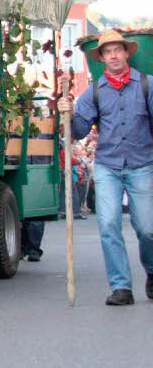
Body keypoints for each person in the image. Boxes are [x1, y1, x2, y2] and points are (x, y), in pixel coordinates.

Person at [57, 30, 153, 306]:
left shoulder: (147, 85)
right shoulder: (95, 91)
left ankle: (152, 270)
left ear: (126, 53)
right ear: (101, 58)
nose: (113, 55)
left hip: (143, 164)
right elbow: (78, 130)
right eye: (107, 52)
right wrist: (68, 112)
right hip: (108, 166)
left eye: (117, 50)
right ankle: (121, 286)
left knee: (147, 229)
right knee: (108, 224)